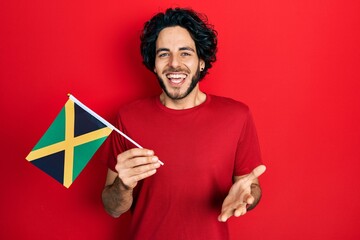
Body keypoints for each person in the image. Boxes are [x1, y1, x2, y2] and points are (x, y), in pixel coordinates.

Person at [101, 7, 266, 240]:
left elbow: (251, 187)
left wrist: (248, 195)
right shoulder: (128, 117)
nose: (174, 63)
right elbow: (112, 208)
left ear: (201, 62)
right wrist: (123, 186)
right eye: (164, 54)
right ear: (154, 64)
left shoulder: (237, 116)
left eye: (185, 53)